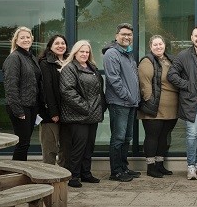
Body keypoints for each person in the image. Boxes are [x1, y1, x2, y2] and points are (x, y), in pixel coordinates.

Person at [168, 26, 197, 180]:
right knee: (191, 133)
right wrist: (187, 85)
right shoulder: (183, 55)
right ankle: (190, 166)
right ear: (191, 37)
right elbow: (171, 75)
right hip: (190, 101)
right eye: (196, 36)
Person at [60, 40, 105, 188]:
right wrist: (86, 108)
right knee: (78, 147)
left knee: (89, 147)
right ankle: (73, 176)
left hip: (93, 115)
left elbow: (98, 90)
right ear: (75, 52)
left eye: (87, 52)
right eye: (82, 52)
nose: (85, 54)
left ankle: (86, 173)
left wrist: (99, 107)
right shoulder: (70, 68)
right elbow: (68, 91)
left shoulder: (92, 67)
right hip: (77, 116)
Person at [102, 23, 141, 182]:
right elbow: (114, 80)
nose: (127, 37)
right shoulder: (112, 53)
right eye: (124, 34)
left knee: (127, 138)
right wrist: (129, 97)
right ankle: (116, 172)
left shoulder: (127, 54)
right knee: (118, 138)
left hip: (131, 103)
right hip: (119, 103)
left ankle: (124, 167)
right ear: (116, 35)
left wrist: (134, 99)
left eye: (129, 35)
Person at [137, 35, 178, 178]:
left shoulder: (169, 60)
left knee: (164, 137)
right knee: (152, 137)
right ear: (150, 46)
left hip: (171, 108)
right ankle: (151, 167)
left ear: (164, 45)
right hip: (154, 108)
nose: (158, 47)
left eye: (160, 44)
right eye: (155, 45)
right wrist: (149, 102)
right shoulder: (147, 61)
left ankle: (160, 165)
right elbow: (145, 84)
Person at [2, 26, 41, 161]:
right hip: (20, 107)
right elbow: (10, 86)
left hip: (31, 106)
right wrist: (18, 111)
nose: (26, 40)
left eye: (28, 37)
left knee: (25, 143)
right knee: (23, 143)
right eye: (22, 37)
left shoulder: (31, 57)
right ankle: (16, 173)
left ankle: (19, 172)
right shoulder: (14, 58)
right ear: (16, 41)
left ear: (32, 39)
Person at [38, 35, 69, 165]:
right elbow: (47, 89)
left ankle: (63, 176)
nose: (60, 45)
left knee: (66, 147)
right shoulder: (45, 63)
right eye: (57, 43)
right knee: (50, 147)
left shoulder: (70, 62)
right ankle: (48, 176)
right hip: (50, 113)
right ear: (50, 46)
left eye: (63, 43)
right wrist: (53, 112)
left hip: (68, 113)